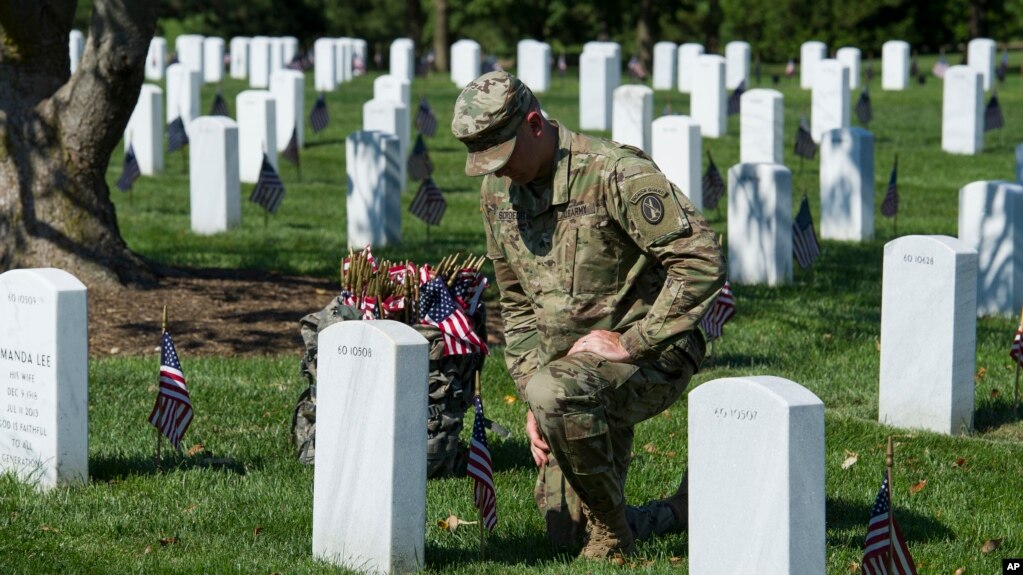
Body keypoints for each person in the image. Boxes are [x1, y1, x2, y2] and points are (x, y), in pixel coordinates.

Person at [451, 71, 726, 560]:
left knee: (560, 409)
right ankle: (679, 512)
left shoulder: (614, 172)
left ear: (535, 124)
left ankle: (614, 536)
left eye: (504, 155)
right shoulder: (497, 194)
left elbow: (700, 259)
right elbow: (516, 306)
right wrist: (535, 392)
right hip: (565, 375)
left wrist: (633, 341)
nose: (499, 171)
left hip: (653, 355)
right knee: (563, 533)